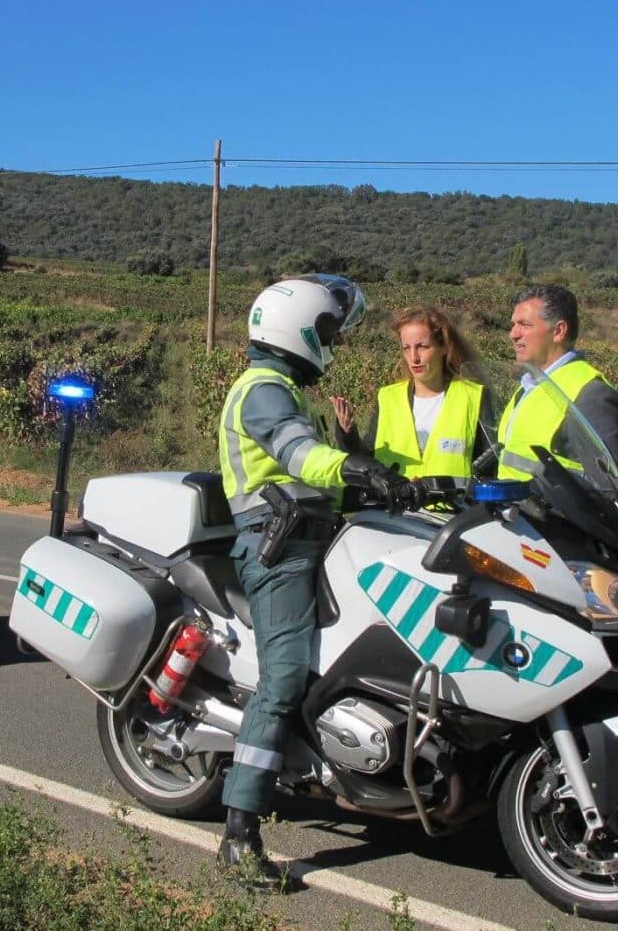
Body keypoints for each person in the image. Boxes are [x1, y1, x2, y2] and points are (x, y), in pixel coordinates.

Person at [216, 275, 417, 891]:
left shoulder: (286, 391)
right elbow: (299, 455)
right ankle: (239, 833)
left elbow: (316, 478)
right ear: (296, 330)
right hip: (277, 552)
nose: (332, 342)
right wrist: (355, 467)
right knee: (282, 677)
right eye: (327, 330)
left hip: (313, 542)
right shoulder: (262, 390)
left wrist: (386, 483)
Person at [330, 304, 492, 480]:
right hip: (394, 498)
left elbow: (490, 468)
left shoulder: (474, 396)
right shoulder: (388, 398)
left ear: (444, 347)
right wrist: (348, 434)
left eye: (422, 346)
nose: (414, 357)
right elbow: (368, 460)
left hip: (457, 499)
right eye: (406, 348)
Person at [497, 284, 618, 480]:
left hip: (549, 503)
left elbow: (610, 487)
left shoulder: (591, 395)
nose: (513, 334)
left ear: (558, 331)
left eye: (524, 324)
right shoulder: (527, 388)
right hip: (512, 501)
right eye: (513, 324)